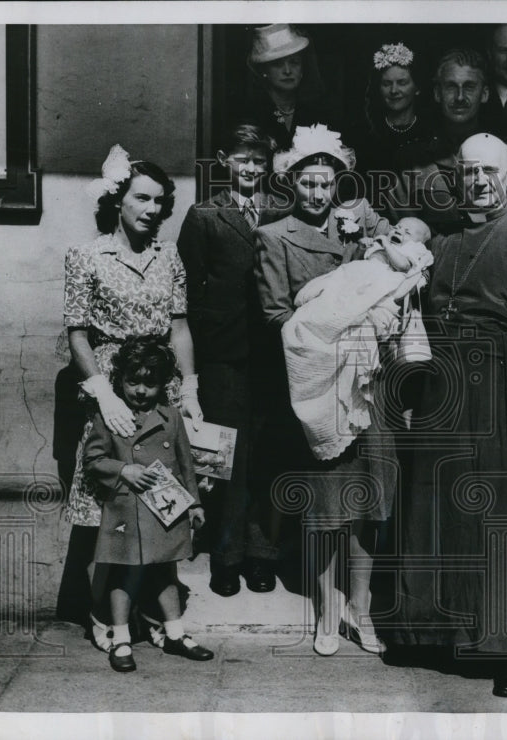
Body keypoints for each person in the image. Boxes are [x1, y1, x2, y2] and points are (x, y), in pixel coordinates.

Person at [381, 133, 507, 699]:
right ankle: (434, 631)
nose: (478, 180)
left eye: (488, 171)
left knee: (505, 525)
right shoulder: (441, 238)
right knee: (440, 516)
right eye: (468, 171)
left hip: (506, 397)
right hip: (443, 396)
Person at [253, 124, 396, 656]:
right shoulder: (273, 235)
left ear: (339, 182)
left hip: (366, 382)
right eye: (307, 183)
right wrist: (333, 324)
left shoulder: (356, 227)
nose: (317, 194)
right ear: (292, 183)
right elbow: (274, 314)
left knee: (368, 500)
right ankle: (326, 609)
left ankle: (361, 608)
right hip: (318, 384)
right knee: (324, 504)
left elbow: (406, 242)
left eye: (326, 183)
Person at [61, 145, 204, 651]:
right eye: (141, 198)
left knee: (161, 493)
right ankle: (104, 612)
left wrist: (188, 388)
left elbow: (179, 326)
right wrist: (103, 393)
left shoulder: (169, 255)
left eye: (160, 202)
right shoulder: (87, 255)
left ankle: (150, 605)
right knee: (111, 500)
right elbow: (77, 332)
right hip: (112, 385)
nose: (151, 209)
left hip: (158, 383)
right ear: (117, 198)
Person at [176, 124, 291, 597]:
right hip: (224, 355)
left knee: (268, 455)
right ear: (225, 161)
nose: (250, 169)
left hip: (275, 354)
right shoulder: (204, 214)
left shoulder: (283, 210)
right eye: (242, 159)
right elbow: (189, 291)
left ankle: (262, 554)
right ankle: (225, 556)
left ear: (269, 165)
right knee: (226, 459)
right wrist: (195, 365)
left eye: (259, 161)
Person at [84, 336, 213, 672]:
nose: (140, 391)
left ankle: (174, 633)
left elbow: (187, 466)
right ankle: (122, 638)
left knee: (167, 572)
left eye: (149, 383)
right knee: (124, 574)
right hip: (126, 509)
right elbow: (93, 459)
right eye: (132, 381)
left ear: (163, 384)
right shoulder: (110, 417)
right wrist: (123, 469)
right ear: (120, 380)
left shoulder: (171, 418)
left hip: (166, 509)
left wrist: (195, 505)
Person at [390, 49, 507, 233]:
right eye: (451, 86)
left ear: (484, 94)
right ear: (437, 93)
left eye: (469, 87)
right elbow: (403, 236)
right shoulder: (411, 161)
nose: (459, 97)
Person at [239, 24, 337, 150]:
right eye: (277, 64)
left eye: (294, 62)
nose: (287, 71)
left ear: (302, 69)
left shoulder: (317, 110)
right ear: (264, 71)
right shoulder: (250, 110)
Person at [354, 42, 434, 182]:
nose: (394, 91)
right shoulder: (367, 135)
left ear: (417, 88)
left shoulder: (430, 132)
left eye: (402, 83)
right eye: (386, 84)